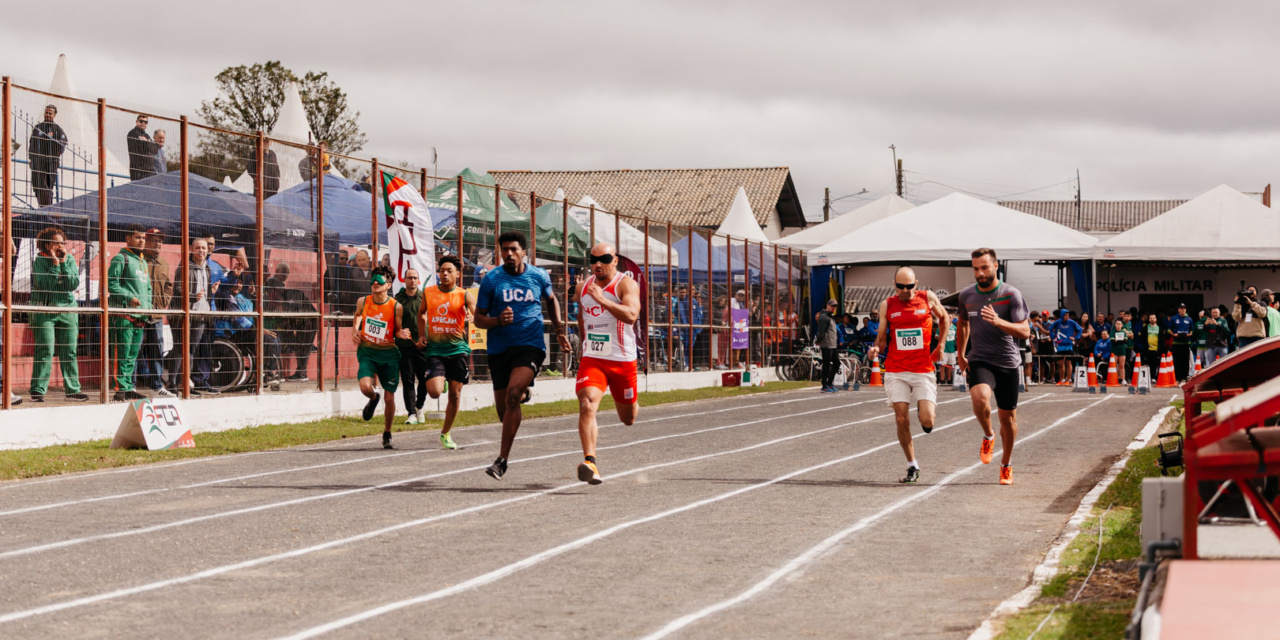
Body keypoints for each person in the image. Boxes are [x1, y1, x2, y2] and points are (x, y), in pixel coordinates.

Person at [475, 231, 571, 481]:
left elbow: (552, 300)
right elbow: (478, 319)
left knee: (513, 395)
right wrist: (497, 320)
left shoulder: (538, 276)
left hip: (530, 345)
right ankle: (524, 392)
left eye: (513, 249)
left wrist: (559, 331)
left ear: (524, 252)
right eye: (504, 250)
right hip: (499, 349)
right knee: (504, 412)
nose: (508, 254)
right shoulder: (492, 280)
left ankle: (501, 461)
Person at [955, 248, 1031, 486]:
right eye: (976, 269)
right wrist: (960, 353)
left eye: (984, 268)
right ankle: (988, 434)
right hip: (980, 359)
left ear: (996, 266)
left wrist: (999, 321)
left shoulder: (1011, 295)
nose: (980, 273)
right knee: (979, 398)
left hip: (1007, 362)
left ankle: (1006, 465)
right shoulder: (966, 295)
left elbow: (1025, 331)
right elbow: (963, 324)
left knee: (1007, 420)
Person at [868, 267, 948, 484]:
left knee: (928, 421)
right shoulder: (887, 305)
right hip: (897, 369)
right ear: (894, 284)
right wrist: (875, 349)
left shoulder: (927, 298)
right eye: (901, 286)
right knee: (901, 418)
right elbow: (881, 338)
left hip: (922, 369)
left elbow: (945, 318)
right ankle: (912, 464)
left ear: (916, 284)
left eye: (909, 286)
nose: (905, 290)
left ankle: (924, 412)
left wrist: (941, 345)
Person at [573, 242, 642, 485]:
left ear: (615, 260)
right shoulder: (583, 287)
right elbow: (582, 317)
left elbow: (631, 316)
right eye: (593, 260)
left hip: (622, 361)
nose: (597, 264)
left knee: (628, 418)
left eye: (603, 259)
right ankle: (590, 462)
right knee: (586, 403)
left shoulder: (626, 284)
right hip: (594, 359)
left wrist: (602, 300)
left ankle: (632, 401)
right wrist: (583, 345)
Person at [417, 256, 475, 450]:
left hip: (458, 350)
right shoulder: (429, 292)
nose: (444, 274)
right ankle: (441, 380)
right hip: (436, 350)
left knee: (455, 395)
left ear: (458, 274)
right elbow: (421, 313)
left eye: (449, 270)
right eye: (442, 270)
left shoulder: (464, 295)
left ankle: (446, 433)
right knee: (434, 392)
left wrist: (473, 316)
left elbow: (477, 313)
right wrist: (421, 334)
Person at [352, 266, 411, 449]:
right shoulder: (363, 301)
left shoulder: (396, 307)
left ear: (389, 285)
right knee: (365, 386)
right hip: (368, 352)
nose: (375, 282)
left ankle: (387, 433)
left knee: (389, 397)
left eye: (380, 280)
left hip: (388, 355)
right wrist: (355, 330)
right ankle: (372, 398)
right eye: (373, 279)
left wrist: (401, 334)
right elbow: (357, 316)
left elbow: (397, 330)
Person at [29, 226, 86, 402]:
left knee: (69, 350)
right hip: (45, 311)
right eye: (56, 243)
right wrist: (54, 264)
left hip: (67, 309)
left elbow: (72, 284)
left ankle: (73, 390)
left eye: (62, 243)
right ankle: (38, 390)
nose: (60, 246)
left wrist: (63, 264)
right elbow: (44, 284)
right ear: (47, 245)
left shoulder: (69, 259)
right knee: (45, 349)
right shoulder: (40, 260)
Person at [108, 225, 152, 401]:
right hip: (124, 316)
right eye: (137, 237)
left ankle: (128, 387)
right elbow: (111, 284)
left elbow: (148, 289)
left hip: (140, 316)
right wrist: (129, 297)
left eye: (143, 238)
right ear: (128, 238)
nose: (142, 241)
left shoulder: (143, 262)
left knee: (133, 355)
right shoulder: (121, 258)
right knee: (122, 352)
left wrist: (148, 308)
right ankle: (120, 389)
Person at [174, 237, 220, 395]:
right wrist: (193, 296)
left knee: (191, 350)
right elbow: (178, 289)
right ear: (192, 249)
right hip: (186, 314)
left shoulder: (207, 268)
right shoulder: (185, 266)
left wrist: (210, 292)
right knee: (182, 348)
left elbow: (204, 292)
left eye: (204, 248)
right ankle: (174, 383)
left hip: (201, 314)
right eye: (198, 248)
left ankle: (185, 384)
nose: (201, 251)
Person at [139, 229, 174, 397]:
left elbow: (168, 286)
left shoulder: (164, 263)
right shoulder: (139, 261)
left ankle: (156, 385)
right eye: (154, 240)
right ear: (146, 242)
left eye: (159, 241)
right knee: (136, 349)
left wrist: (163, 302)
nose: (157, 244)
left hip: (156, 314)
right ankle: (133, 384)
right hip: (139, 313)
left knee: (157, 349)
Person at [395, 268, 429, 424]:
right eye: (409, 277)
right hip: (404, 346)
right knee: (408, 381)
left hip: (424, 345)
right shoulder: (398, 299)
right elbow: (392, 322)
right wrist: (399, 332)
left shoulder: (425, 297)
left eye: (415, 277)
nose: (412, 280)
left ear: (419, 280)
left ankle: (419, 406)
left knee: (425, 379)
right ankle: (411, 413)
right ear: (404, 280)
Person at [27, 105, 67, 207]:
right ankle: (42, 207)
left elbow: (63, 141)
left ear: (54, 115)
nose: (48, 115)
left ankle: (47, 209)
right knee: (36, 185)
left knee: (47, 187)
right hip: (37, 161)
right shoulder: (38, 128)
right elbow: (32, 143)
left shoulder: (57, 129)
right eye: (46, 112)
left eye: (50, 113)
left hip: (50, 163)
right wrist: (31, 158)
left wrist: (58, 152)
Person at [1049, 309, 1081, 386]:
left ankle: (1068, 379)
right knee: (1060, 363)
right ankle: (1061, 380)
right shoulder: (1057, 322)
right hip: (1060, 345)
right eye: (1065, 315)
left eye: (1068, 315)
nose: (1067, 317)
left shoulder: (1071, 322)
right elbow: (1050, 328)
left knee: (1068, 363)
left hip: (1068, 345)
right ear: (1062, 315)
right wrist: (1053, 336)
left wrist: (1076, 337)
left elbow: (1080, 329)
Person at [814, 299, 841, 392]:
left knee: (837, 363)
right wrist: (818, 342)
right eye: (832, 306)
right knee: (826, 364)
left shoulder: (830, 316)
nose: (834, 308)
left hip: (833, 344)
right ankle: (824, 385)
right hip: (827, 344)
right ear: (827, 305)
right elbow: (821, 331)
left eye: (835, 306)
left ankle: (829, 383)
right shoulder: (824, 317)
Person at [126, 114, 158, 181]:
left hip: (150, 170)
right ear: (137, 121)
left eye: (145, 122)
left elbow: (155, 150)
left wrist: (146, 142)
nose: (143, 123)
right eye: (141, 121)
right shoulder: (132, 133)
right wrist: (148, 143)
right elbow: (143, 147)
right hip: (138, 170)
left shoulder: (146, 135)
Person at [1167, 303, 1194, 381]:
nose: (1183, 310)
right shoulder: (1173, 318)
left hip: (1186, 343)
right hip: (1176, 343)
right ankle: (1177, 377)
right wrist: (1173, 334)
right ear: (1178, 309)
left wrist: (1189, 334)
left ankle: (1185, 376)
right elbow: (1168, 329)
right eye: (1181, 308)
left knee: (1185, 360)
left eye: (1184, 308)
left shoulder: (1189, 319)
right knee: (1177, 360)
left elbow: (1192, 330)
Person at [941, 315, 958, 385]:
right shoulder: (942, 326)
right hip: (944, 349)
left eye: (950, 317)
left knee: (950, 364)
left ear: (952, 319)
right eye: (947, 317)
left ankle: (949, 379)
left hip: (952, 349)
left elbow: (956, 337)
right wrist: (942, 340)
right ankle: (942, 379)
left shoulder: (955, 327)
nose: (948, 318)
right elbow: (936, 336)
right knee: (942, 364)